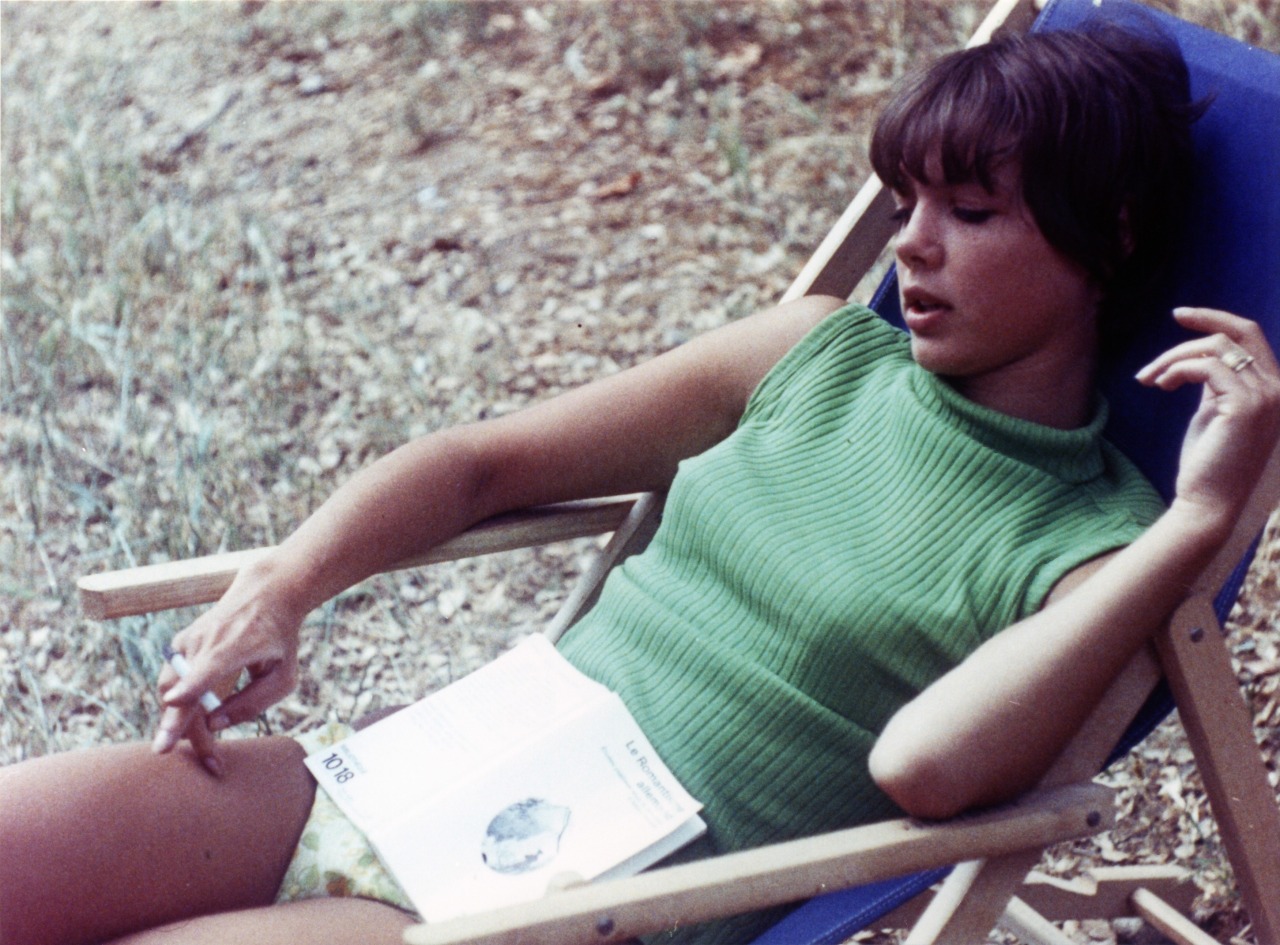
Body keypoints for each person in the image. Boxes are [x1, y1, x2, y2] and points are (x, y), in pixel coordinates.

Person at [3, 21, 1278, 945]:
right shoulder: (814, 356)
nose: (911, 245)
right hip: (406, 784)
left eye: (970, 213)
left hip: (556, 908)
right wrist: (284, 585)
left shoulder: (1088, 547)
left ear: (1108, 236)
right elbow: (480, 463)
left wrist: (1195, 526)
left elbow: (924, 771)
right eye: (904, 202)